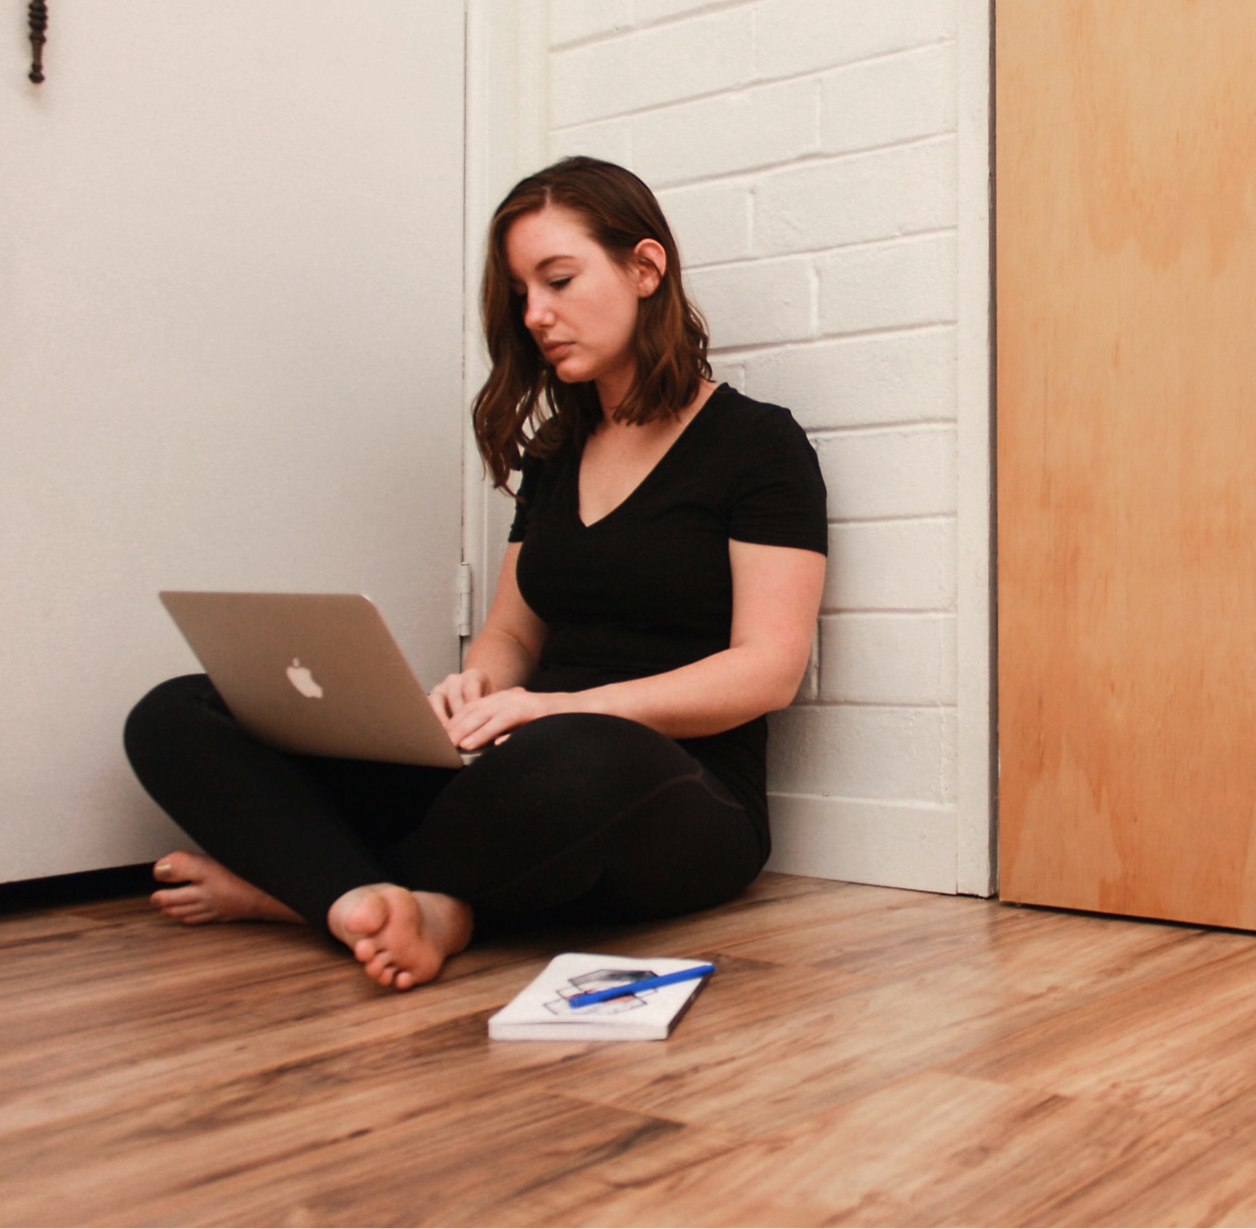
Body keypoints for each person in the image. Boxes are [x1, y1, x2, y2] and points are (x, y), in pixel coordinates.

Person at [123, 157, 828, 990]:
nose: (536, 315)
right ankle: (388, 901)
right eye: (521, 293)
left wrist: (556, 709)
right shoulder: (557, 457)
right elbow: (512, 629)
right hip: (516, 766)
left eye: (558, 280)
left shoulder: (757, 444)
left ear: (645, 267)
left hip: (664, 790)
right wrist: (475, 688)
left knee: (577, 758)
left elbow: (767, 671)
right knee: (176, 712)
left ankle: (302, 891)